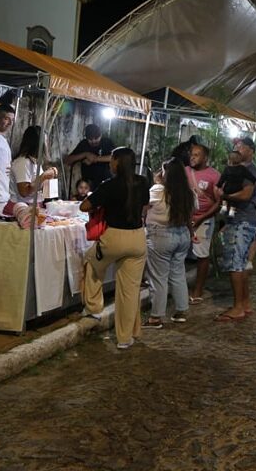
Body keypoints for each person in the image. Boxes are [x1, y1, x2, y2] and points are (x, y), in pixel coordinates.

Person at [80, 147, 150, 349]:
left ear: (118, 162)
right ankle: (125, 338)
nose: (109, 162)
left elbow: (84, 206)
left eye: (111, 159)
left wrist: (100, 202)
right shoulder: (143, 182)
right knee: (129, 291)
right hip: (137, 237)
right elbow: (144, 206)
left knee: (91, 262)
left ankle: (93, 307)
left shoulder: (109, 185)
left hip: (114, 237)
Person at [143, 158, 196, 328]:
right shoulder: (189, 193)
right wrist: (192, 233)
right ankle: (181, 310)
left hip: (161, 236)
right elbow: (189, 217)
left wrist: (157, 181)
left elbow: (143, 205)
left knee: (158, 277)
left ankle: (156, 317)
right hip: (182, 236)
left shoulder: (159, 191)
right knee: (178, 273)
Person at [215, 137, 256, 321]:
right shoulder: (238, 170)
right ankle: (245, 303)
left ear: (251, 150)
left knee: (235, 263)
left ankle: (238, 307)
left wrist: (224, 194)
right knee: (240, 264)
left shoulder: (249, 171)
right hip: (239, 219)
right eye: (236, 146)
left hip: (243, 220)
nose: (237, 148)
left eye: (241, 146)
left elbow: (246, 194)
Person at [187, 144, 221, 304]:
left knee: (202, 255)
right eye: (192, 154)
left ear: (205, 158)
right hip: (184, 220)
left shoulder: (214, 176)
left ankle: (198, 290)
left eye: (197, 155)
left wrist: (201, 218)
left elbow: (218, 203)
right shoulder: (185, 172)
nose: (193, 157)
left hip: (204, 221)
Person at [8, 125, 58, 210]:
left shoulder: (35, 162)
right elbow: (24, 192)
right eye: (45, 141)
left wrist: (49, 176)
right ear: (37, 143)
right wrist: (43, 176)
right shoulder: (23, 162)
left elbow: (37, 185)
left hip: (34, 205)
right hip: (21, 208)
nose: (47, 145)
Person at [66, 123, 115, 190]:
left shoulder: (106, 142)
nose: (93, 141)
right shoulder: (83, 144)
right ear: (86, 138)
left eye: (96, 138)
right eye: (90, 139)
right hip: (88, 185)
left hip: (106, 181)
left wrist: (96, 159)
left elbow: (114, 157)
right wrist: (85, 154)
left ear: (100, 135)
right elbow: (68, 160)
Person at [216, 151, 256, 218]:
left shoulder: (227, 169)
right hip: (237, 188)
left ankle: (224, 207)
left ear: (229, 160)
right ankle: (232, 212)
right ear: (240, 160)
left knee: (224, 198)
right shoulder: (243, 169)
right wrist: (255, 181)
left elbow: (222, 178)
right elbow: (249, 176)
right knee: (234, 201)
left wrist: (218, 186)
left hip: (228, 188)